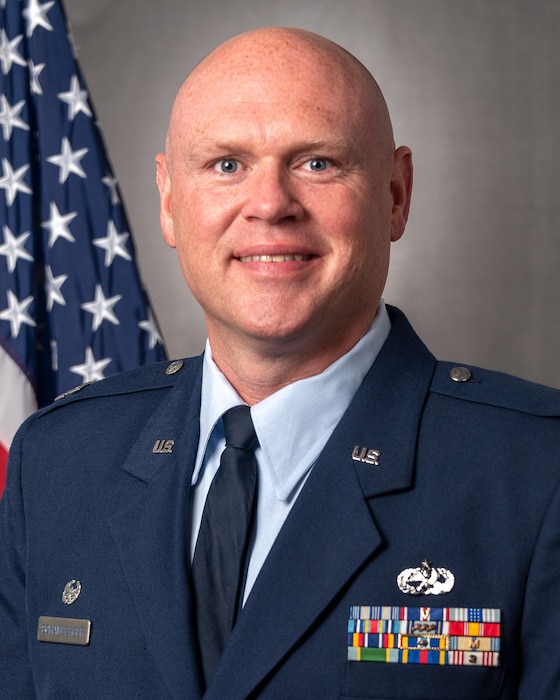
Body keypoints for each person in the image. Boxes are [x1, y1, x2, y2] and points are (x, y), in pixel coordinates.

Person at [1, 26, 559, 700]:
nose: (270, 205)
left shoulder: (535, 472)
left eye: (317, 162)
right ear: (171, 200)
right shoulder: (59, 461)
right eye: (227, 164)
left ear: (395, 194)